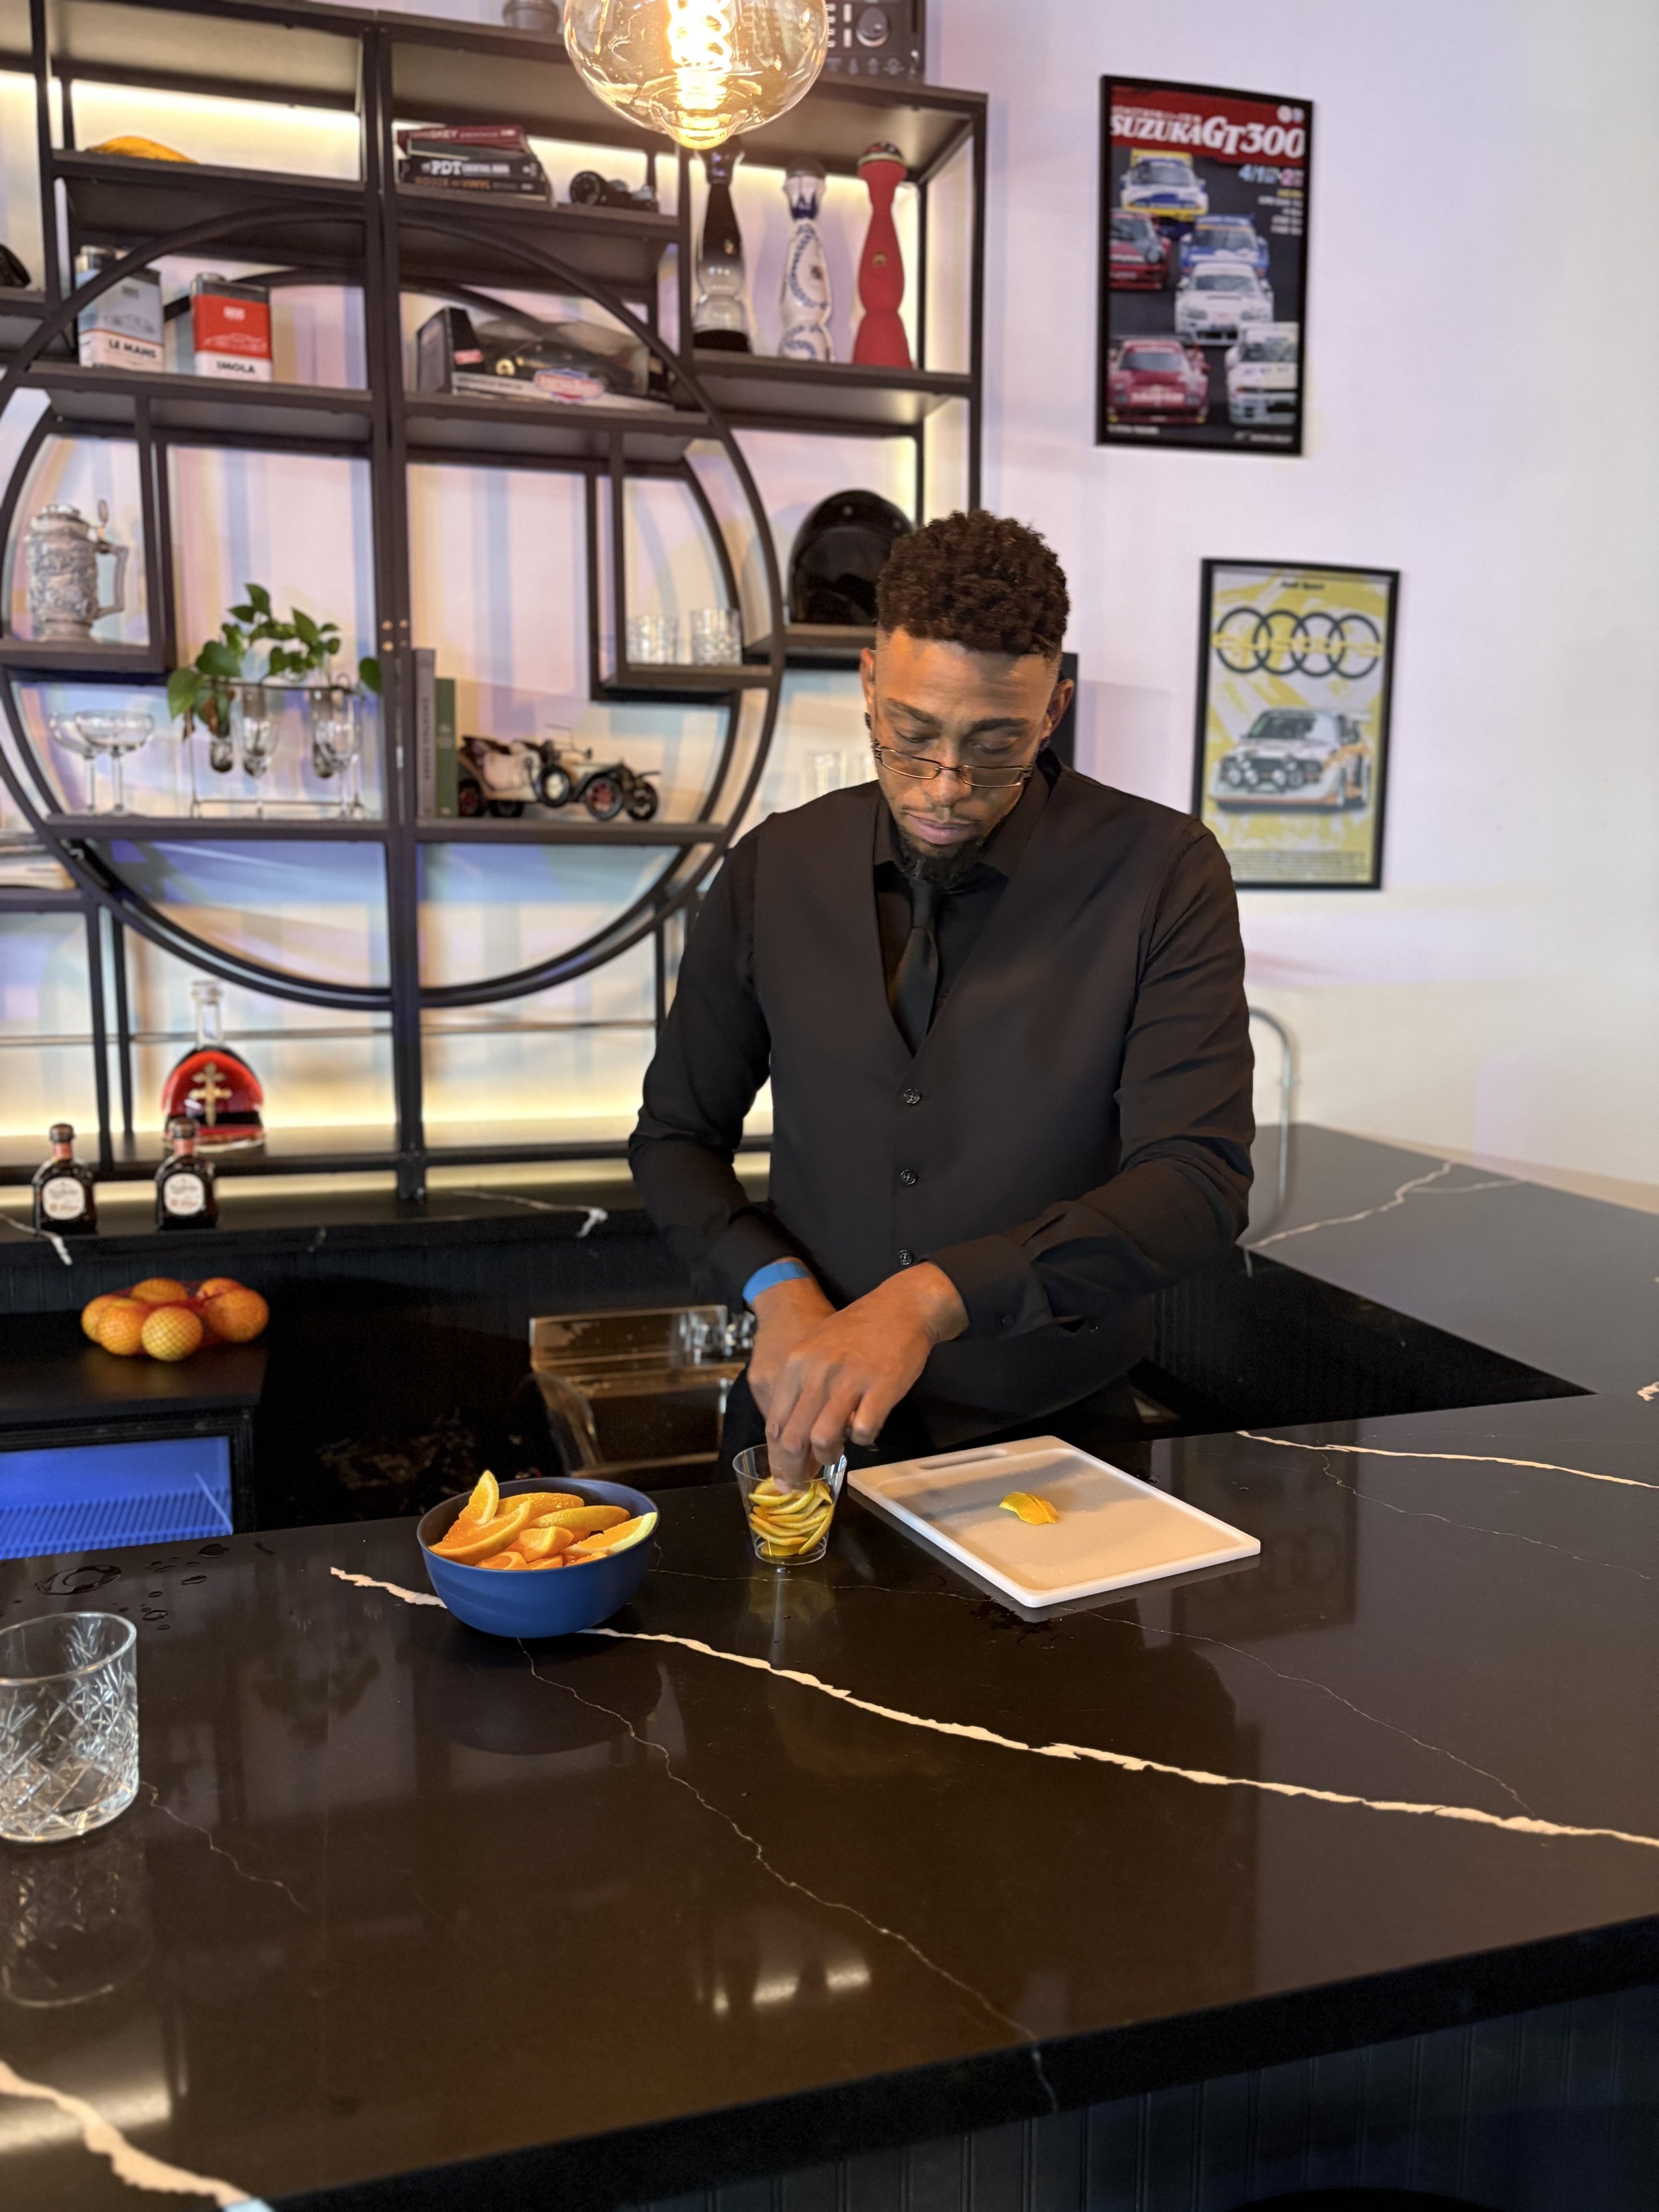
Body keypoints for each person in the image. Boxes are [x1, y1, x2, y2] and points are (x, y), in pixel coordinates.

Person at [630, 509, 1254, 1477]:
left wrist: (932, 1297)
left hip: (1057, 1435)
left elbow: (1199, 1181)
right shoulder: (773, 869)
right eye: (911, 735)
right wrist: (776, 1285)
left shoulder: (1163, 873)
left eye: (996, 744)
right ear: (870, 682)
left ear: (1053, 711)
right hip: (802, 1424)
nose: (946, 786)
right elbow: (675, 1138)